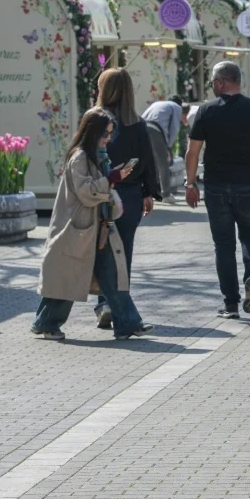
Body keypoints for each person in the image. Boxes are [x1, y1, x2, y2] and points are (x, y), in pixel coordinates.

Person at [32, 109, 153, 340]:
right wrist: (112, 179)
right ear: (92, 132)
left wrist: (112, 177)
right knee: (67, 278)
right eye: (105, 134)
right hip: (79, 229)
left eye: (110, 134)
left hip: (99, 228)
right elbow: (86, 192)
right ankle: (46, 323)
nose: (108, 139)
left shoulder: (97, 156)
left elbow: (96, 187)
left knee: (113, 275)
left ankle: (128, 323)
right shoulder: (80, 157)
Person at [185, 61, 250, 319]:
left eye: (212, 83)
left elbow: (192, 152)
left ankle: (230, 304)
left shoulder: (206, 111)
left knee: (224, 245)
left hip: (216, 186)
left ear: (220, 82)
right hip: (249, 185)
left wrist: (190, 183)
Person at [93, 68, 160, 329]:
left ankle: (104, 303)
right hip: (130, 196)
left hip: (99, 192)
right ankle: (118, 305)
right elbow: (147, 161)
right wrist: (147, 193)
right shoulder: (137, 123)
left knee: (99, 249)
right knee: (123, 253)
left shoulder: (95, 121)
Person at [141, 96, 186, 200]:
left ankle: (151, 192)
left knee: (151, 163)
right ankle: (166, 195)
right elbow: (174, 128)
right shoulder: (176, 107)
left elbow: (142, 117)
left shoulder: (157, 104)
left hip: (143, 128)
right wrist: (168, 147)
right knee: (163, 164)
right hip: (155, 130)